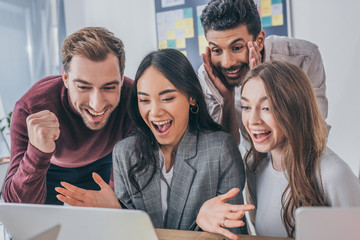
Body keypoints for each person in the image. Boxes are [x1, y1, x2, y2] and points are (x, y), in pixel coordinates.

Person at [55, 49, 253, 238]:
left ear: (192, 97)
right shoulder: (126, 152)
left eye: (167, 98)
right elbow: (128, 233)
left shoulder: (220, 150)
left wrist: (201, 224)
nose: (155, 112)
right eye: (144, 100)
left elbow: (232, 234)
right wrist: (117, 211)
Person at [196, 60, 360, 238]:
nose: (253, 120)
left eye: (267, 108)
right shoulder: (254, 166)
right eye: (246, 107)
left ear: (294, 109)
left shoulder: (333, 173)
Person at [3, 27, 133, 205]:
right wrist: (37, 151)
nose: (97, 104)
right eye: (83, 87)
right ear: (65, 77)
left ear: (121, 78)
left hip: (105, 162)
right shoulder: (30, 108)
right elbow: (17, 204)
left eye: (109, 87)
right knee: (39, 228)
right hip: (49, 167)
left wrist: (116, 205)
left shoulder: (133, 99)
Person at [199, 0, 328, 144]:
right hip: (248, 162)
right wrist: (226, 101)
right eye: (217, 50)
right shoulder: (209, 76)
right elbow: (224, 154)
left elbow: (315, 131)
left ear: (259, 41)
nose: (227, 62)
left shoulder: (303, 58)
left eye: (237, 48)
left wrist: (260, 86)